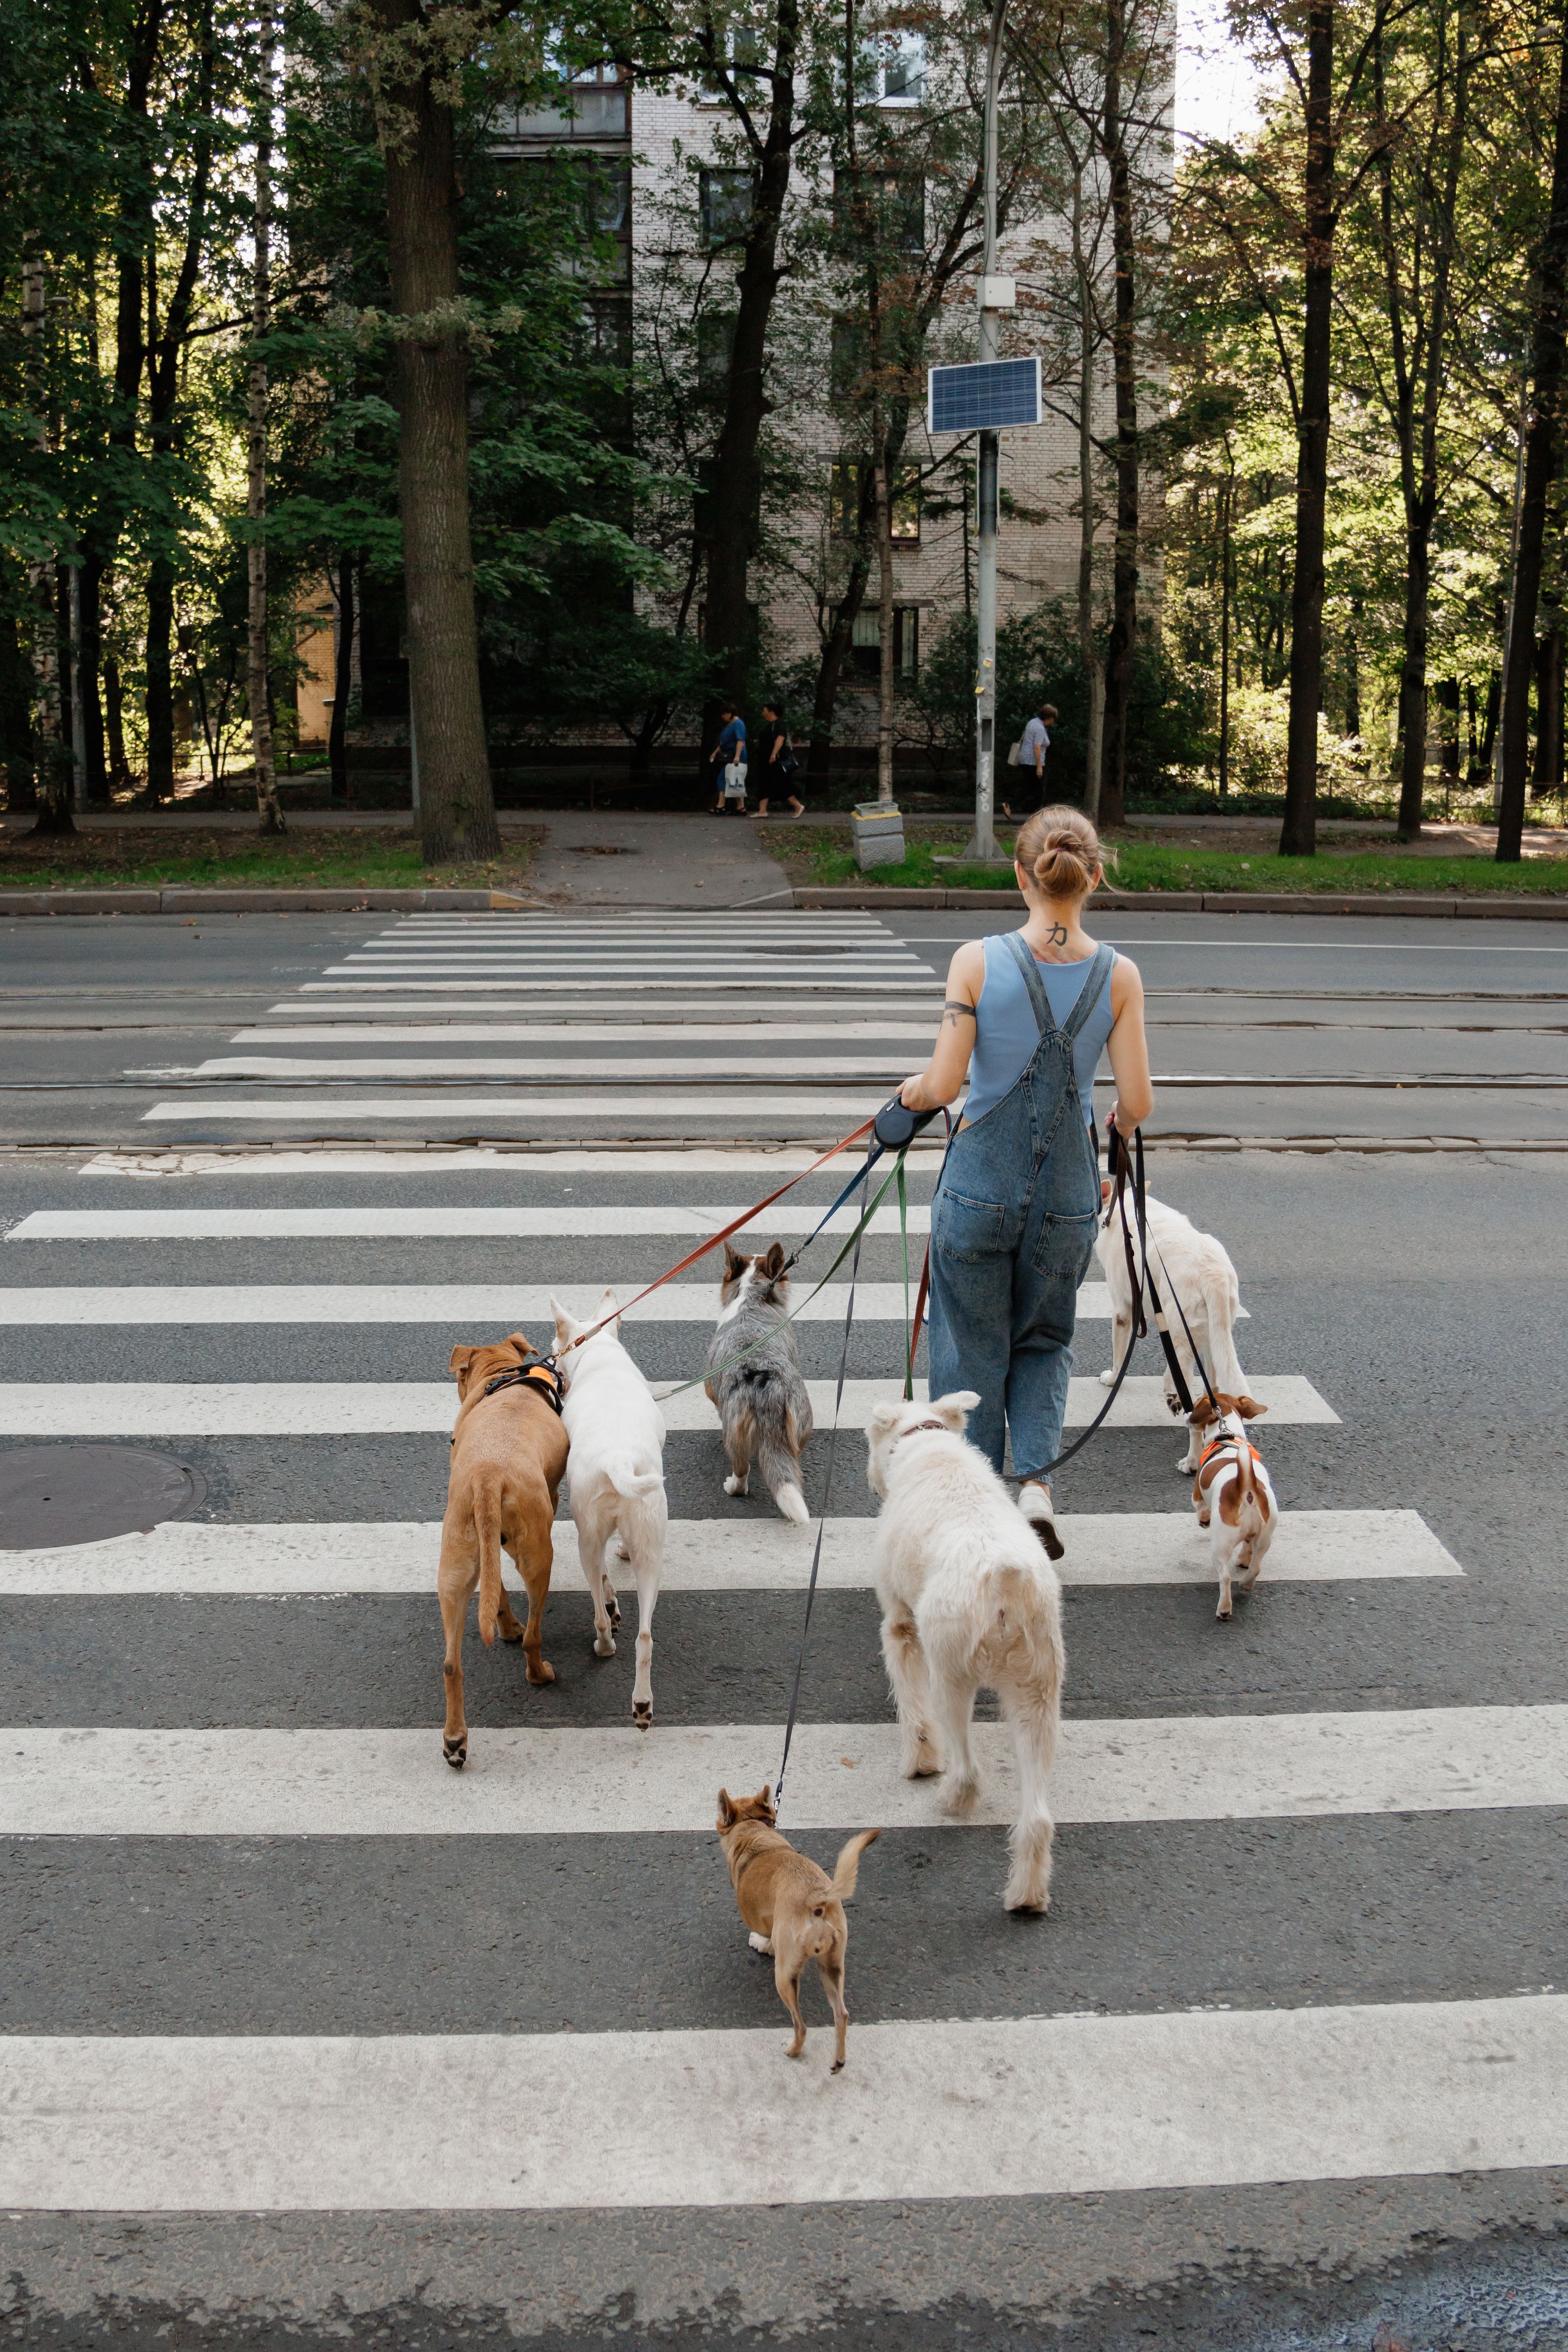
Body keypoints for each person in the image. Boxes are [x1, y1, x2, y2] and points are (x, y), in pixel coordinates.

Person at [896, 805, 1154, 1560]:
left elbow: (945, 1085)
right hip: (1068, 1201)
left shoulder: (975, 962)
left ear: (1021, 875)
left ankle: (973, 1519)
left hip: (976, 1191)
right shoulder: (1120, 976)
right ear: (1094, 876)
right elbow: (1135, 1104)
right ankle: (1036, 1488)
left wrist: (907, 1095)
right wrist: (1116, 1129)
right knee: (1046, 1339)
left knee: (968, 1350)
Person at [1002, 703, 1059, 820]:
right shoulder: (1039, 728)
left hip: (1025, 759)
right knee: (1039, 787)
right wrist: (1039, 767)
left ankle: (1010, 805)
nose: (1053, 721)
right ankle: (1039, 813)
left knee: (1029, 786)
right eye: (1053, 718)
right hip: (1033, 762)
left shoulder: (1032, 722)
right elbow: (1037, 747)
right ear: (1049, 717)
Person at [755, 702, 805, 818]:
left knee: (782, 783)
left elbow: (780, 739)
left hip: (776, 761)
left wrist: (773, 754)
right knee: (764, 783)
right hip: (766, 761)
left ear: (771, 713)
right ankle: (762, 811)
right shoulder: (770, 725)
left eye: (764, 711)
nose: (763, 713)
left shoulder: (778, 725)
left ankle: (798, 806)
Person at [709, 706, 748, 814]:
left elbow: (740, 741)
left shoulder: (738, 724)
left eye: (724, 714)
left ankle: (721, 806)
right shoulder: (730, 725)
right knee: (735, 780)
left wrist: (737, 756)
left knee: (723, 779)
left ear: (730, 713)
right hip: (728, 756)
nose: (723, 717)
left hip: (734, 757)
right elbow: (724, 742)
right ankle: (741, 807)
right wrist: (715, 753)